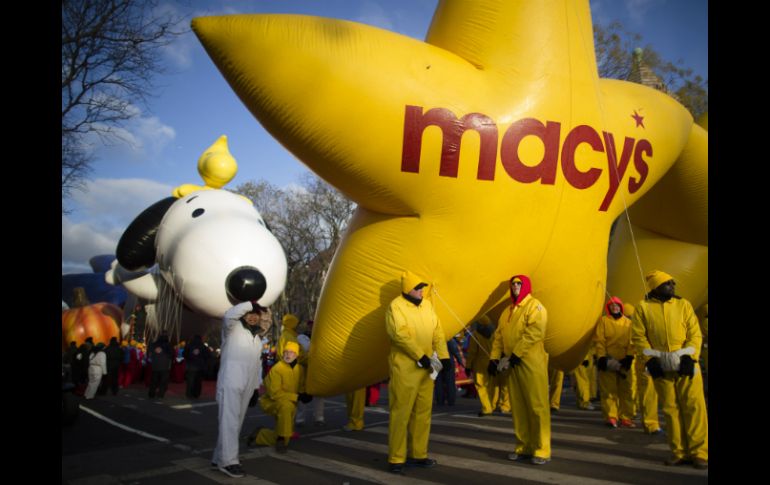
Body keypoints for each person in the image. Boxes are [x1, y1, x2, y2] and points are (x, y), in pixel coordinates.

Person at [631, 270, 708, 469]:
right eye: (667, 284)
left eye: (673, 283)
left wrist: (690, 358)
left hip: (686, 363)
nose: (672, 287)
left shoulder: (684, 305)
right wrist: (650, 360)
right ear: (656, 287)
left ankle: (700, 453)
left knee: (694, 407)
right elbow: (639, 336)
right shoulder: (643, 308)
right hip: (661, 365)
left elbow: (695, 333)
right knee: (670, 409)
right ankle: (679, 452)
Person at [385, 270, 449, 474]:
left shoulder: (427, 305)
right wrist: (420, 355)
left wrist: (444, 356)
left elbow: (437, 331)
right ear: (407, 289)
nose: (422, 290)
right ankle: (396, 458)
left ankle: (419, 454)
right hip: (405, 368)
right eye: (418, 287)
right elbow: (399, 335)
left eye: (422, 287)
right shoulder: (395, 307)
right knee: (401, 413)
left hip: (426, 368)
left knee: (423, 413)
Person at [489, 275, 550, 465]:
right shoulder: (507, 311)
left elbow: (535, 332)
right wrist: (493, 358)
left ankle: (541, 449)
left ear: (526, 286)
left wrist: (516, 354)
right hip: (512, 363)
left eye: (519, 284)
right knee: (518, 406)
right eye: (513, 284)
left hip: (531, 363)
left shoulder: (535, 307)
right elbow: (499, 336)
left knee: (537, 405)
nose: (515, 287)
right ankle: (523, 446)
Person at [211, 301, 272, 479]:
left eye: (256, 314)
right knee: (229, 421)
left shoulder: (257, 337)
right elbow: (230, 314)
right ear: (243, 314)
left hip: (247, 385)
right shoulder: (232, 328)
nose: (253, 317)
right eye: (249, 314)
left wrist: (254, 388)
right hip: (230, 381)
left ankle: (218, 458)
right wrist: (250, 302)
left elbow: (256, 365)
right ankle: (229, 462)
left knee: (236, 421)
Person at [249, 341, 311, 453]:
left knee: (284, 434)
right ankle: (281, 439)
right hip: (271, 402)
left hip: (290, 404)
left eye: (291, 352)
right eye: (286, 352)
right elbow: (274, 393)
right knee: (286, 407)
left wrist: (306, 394)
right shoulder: (277, 369)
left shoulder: (300, 370)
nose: (288, 354)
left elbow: (301, 387)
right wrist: (298, 397)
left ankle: (260, 434)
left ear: (296, 355)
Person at [594, 296, 637, 428]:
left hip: (625, 360)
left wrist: (629, 357)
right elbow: (600, 340)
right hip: (608, 358)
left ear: (621, 307)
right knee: (608, 390)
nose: (615, 307)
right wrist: (601, 357)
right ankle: (611, 416)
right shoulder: (604, 321)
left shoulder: (628, 323)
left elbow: (632, 342)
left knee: (627, 390)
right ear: (608, 308)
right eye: (612, 305)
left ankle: (626, 417)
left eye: (617, 305)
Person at [625, 303, 661, 435]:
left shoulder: (651, 324)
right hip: (644, 362)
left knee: (651, 393)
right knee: (647, 392)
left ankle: (651, 422)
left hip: (654, 361)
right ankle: (650, 424)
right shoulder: (636, 327)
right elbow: (634, 344)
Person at [465, 315, 496, 416]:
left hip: (479, 363)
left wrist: (468, 366)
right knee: (491, 386)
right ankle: (492, 405)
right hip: (492, 361)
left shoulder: (476, 335)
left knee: (481, 386)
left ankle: (487, 408)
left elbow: (472, 352)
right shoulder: (494, 334)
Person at [434, 332, 465, 406]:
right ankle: (451, 400)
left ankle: (440, 400)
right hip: (448, 360)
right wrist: (460, 361)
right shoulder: (447, 335)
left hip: (436, 361)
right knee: (450, 381)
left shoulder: (432, 335)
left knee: (438, 382)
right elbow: (455, 350)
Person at [147, 333, 173, 399]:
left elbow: (149, 354)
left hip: (155, 365)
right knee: (163, 381)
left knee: (154, 380)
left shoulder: (153, 344)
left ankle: (151, 393)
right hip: (165, 366)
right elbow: (171, 355)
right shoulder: (168, 345)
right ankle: (160, 394)